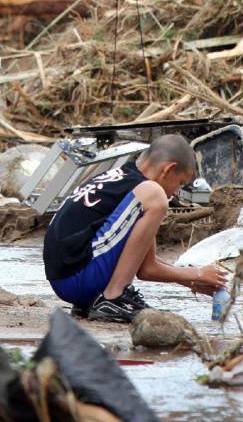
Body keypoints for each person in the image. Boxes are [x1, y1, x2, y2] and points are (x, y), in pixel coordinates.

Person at [43, 133, 228, 323]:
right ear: (168, 169)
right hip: (77, 277)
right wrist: (197, 273)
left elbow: (143, 261)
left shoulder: (122, 179)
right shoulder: (149, 193)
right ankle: (113, 298)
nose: (175, 194)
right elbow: (147, 270)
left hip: (68, 278)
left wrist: (191, 281)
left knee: (152, 195)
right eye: (180, 183)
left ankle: (102, 298)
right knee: (155, 195)